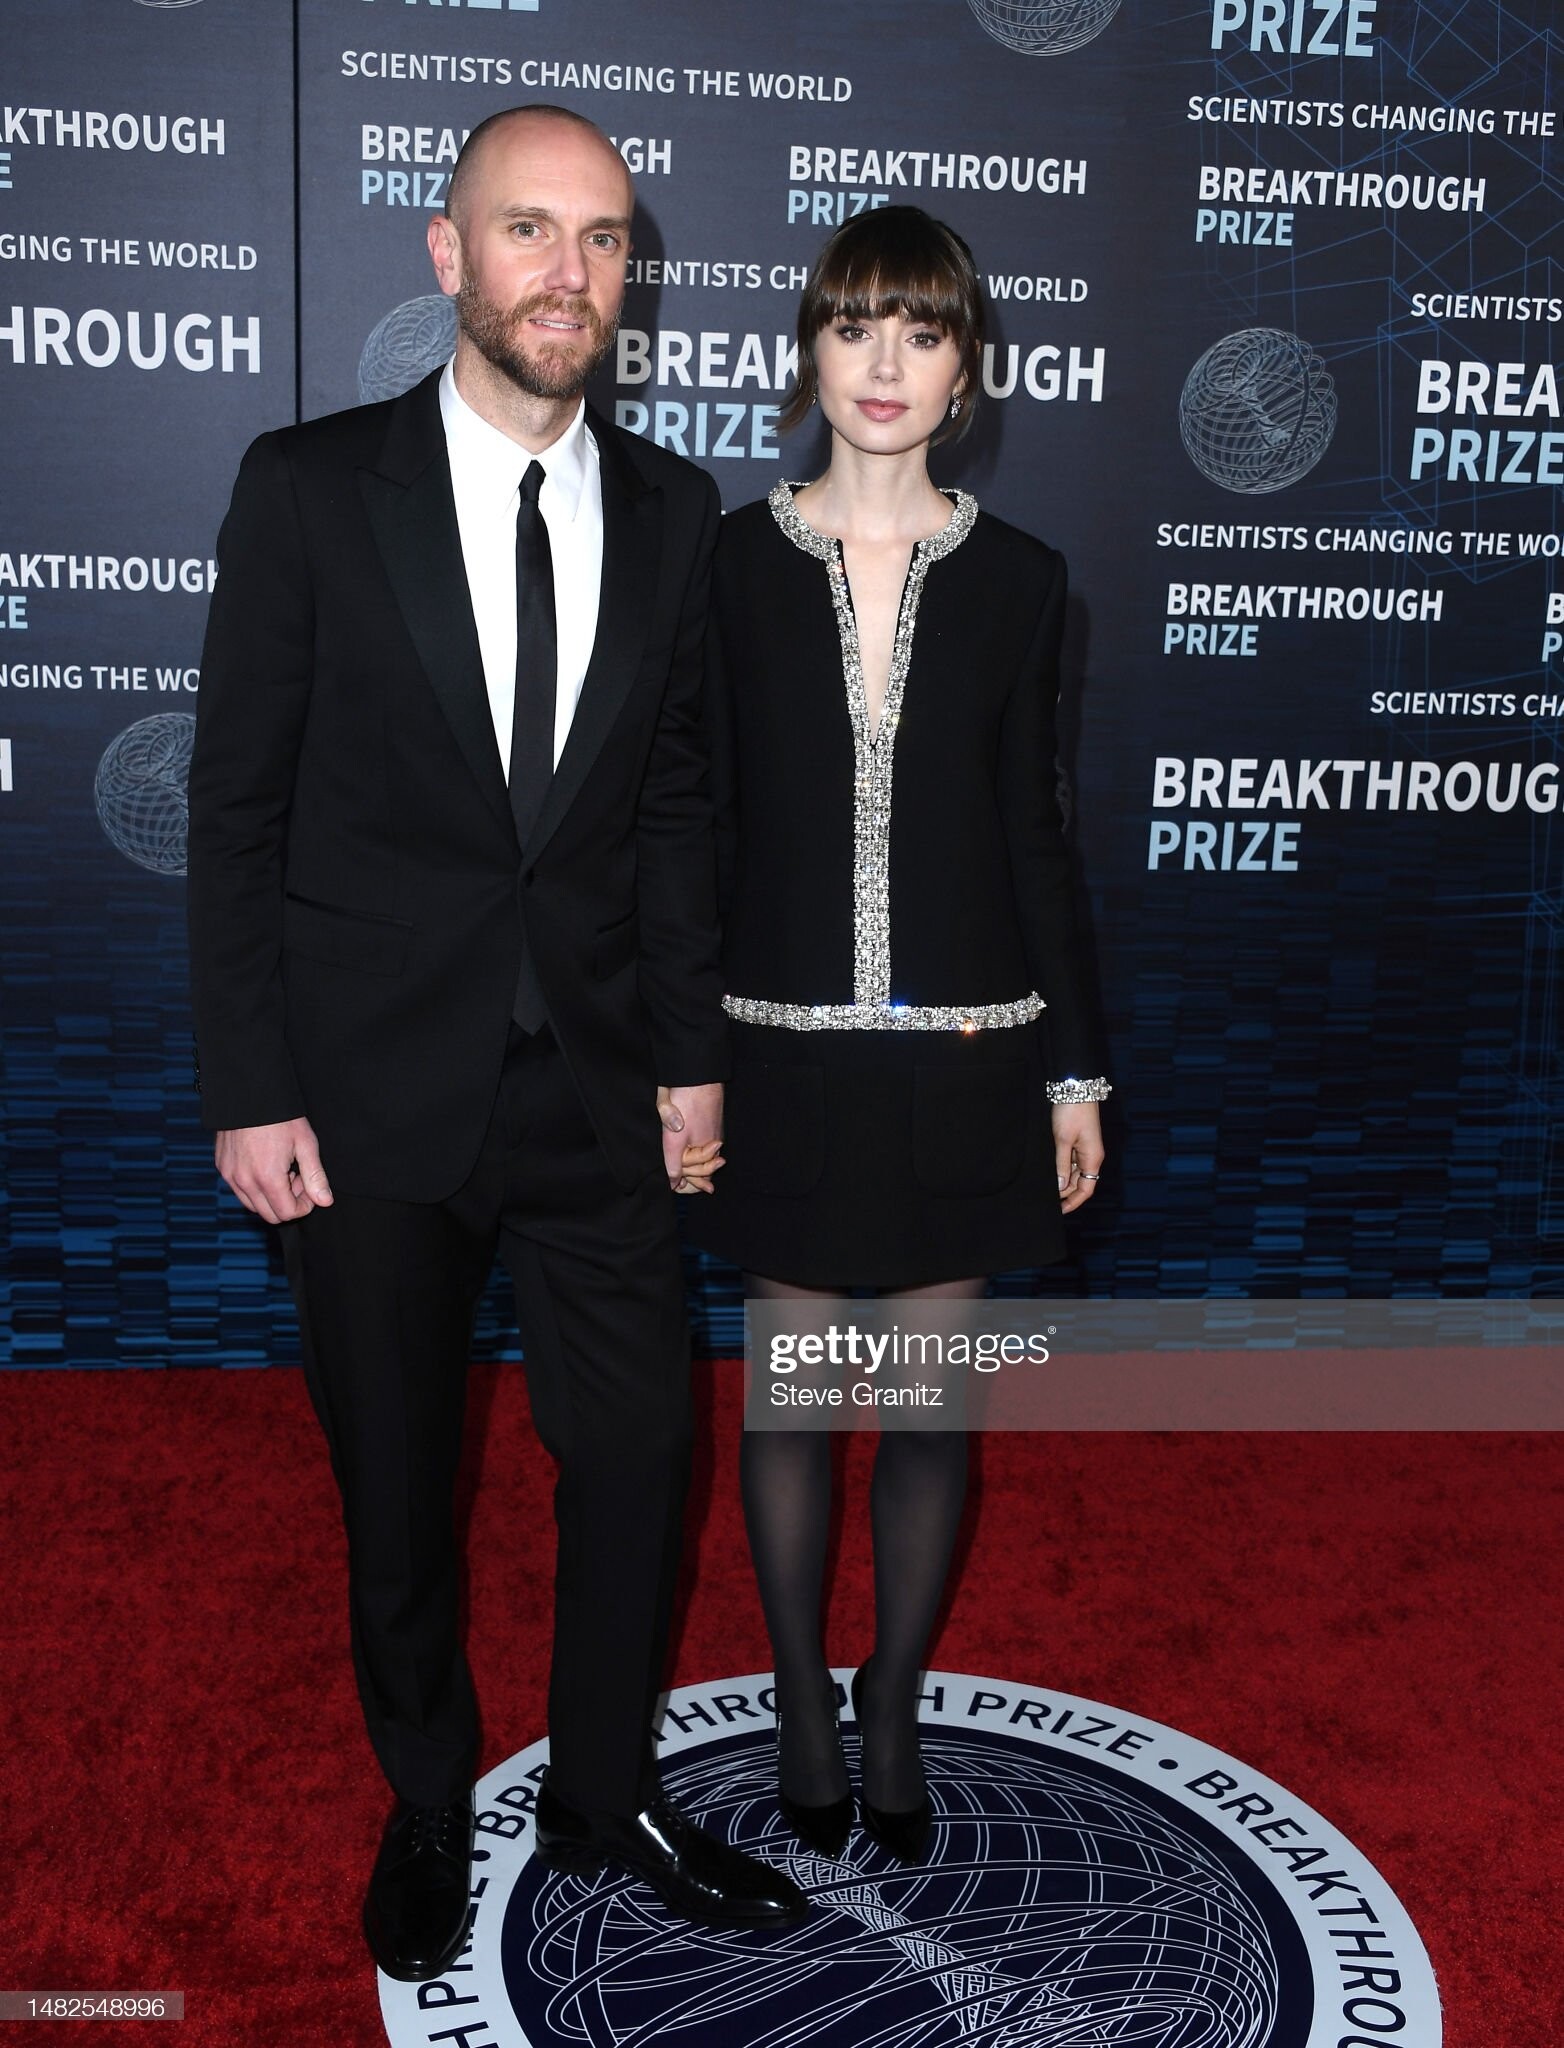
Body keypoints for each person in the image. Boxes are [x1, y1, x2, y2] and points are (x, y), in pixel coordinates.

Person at [186, 103, 805, 1982]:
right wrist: (250, 1086)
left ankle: (604, 1794)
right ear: (448, 255)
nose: (569, 272)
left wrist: (691, 1054)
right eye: (529, 230)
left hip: (598, 1083)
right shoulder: (310, 487)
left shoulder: (676, 508)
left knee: (636, 1453)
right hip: (367, 1089)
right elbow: (237, 808)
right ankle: (429, 1791)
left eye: (603, 240)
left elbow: (678, 806)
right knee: (396, 1477)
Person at [684, 206, 1109, 1865]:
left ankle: (893, 1701)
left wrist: (1072, 1070)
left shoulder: (1022, 581)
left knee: (930, 1414)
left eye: (921, 331)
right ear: (808, 349)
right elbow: (693, 827)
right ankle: (802, 1695)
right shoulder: (728, 563)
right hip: (780, 1064)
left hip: (965, 1065)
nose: (884, 362)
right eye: (855, 324)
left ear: (967, 367)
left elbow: (1037, 840)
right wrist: (682, 1057)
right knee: (792, 1411)